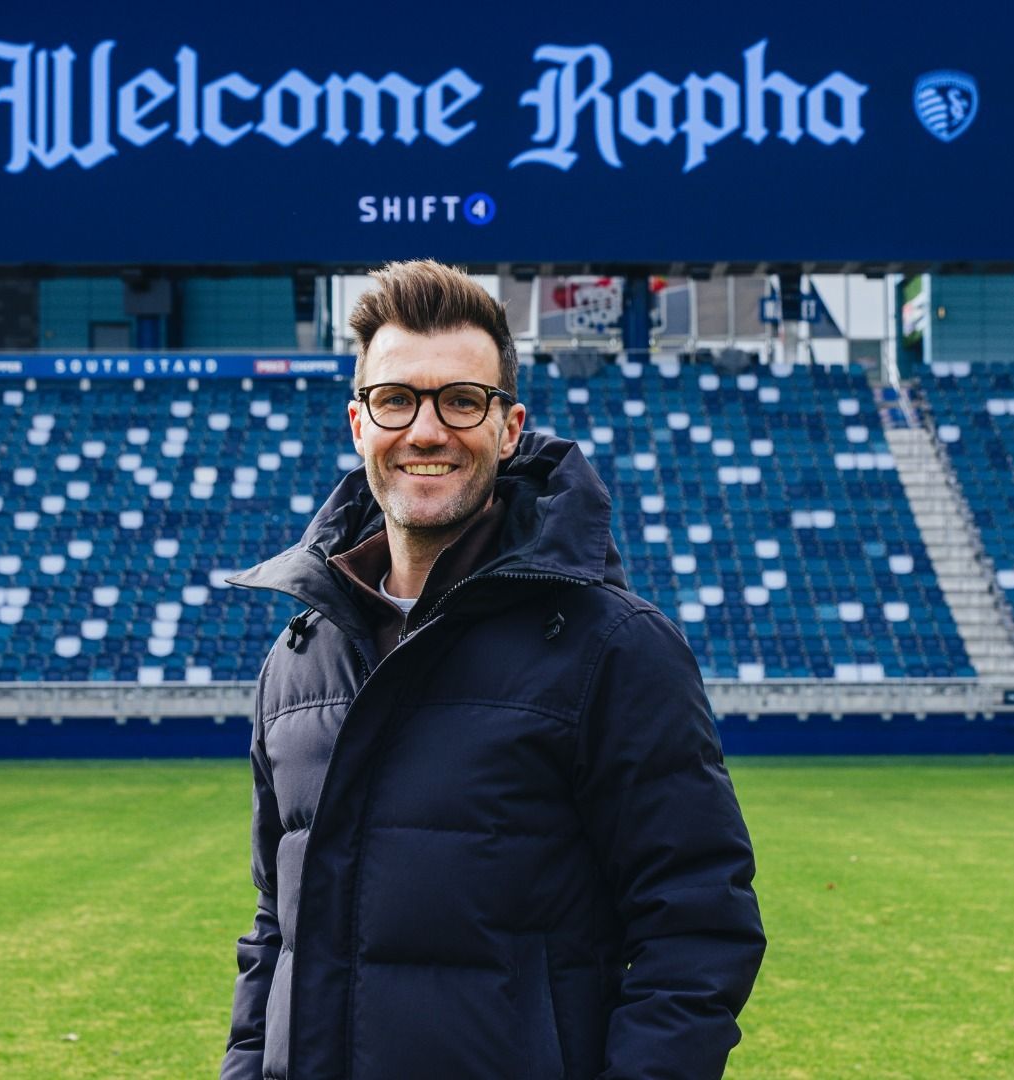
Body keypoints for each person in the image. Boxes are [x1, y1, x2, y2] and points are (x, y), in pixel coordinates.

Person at [223, 260, 764, 1080]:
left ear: (508, 429)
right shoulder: (298, 661)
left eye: (462, 400)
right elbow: (276, 927)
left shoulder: (613, 648)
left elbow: (697, 929)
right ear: (358, 423)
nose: (427, 430)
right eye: (396, 399)